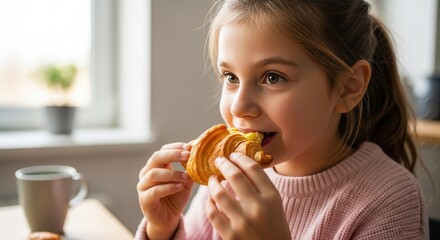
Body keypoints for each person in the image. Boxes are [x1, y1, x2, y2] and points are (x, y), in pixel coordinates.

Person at [136, 0, 428, 239]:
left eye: (272, 77)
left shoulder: (390, 199)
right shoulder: (228, 182)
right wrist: (163, 230)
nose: (239, 107)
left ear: (348, 87)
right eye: (231, 77)